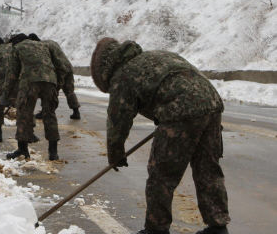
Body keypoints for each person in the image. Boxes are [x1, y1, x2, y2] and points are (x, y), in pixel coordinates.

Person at [91, 38, 230, 234]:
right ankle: (218, 226)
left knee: (161, 175)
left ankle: (156, 229)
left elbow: (117, 120)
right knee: (208, 169)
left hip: (180, 112)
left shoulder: (123, 76)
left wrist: (115, 154)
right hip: (212, 104)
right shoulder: (157, 56)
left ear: (105, 70)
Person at [1, 34, 69, 161]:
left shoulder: (17, 48)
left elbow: (11, 74)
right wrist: (56, 85)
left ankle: (23, 149)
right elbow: (62, 67)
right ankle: (53, 152)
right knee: (49, 114)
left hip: (29, 81)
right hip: (50, 81)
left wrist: (5, 95)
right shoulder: (44, 46)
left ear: (16, 42)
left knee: (24, 114)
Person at [28, 33, 81, 120]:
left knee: (49, 91)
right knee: (69, 91)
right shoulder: (51, 42)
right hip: (67, 67)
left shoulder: (42, 47)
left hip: (59, 69)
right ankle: (76, 112)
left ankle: (45, 111)